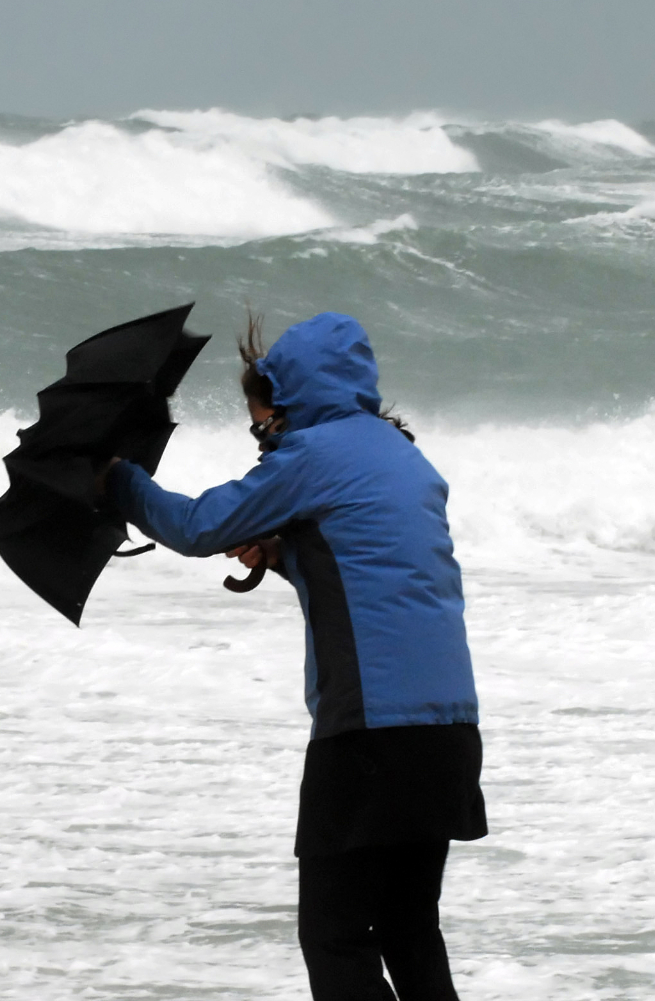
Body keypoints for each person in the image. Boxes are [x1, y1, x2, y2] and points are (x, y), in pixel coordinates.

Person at [100, 311, 486, 1001]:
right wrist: (284, 555)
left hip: (371, 730)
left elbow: (195, 526)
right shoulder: (404, 455)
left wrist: (117, 478)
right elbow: (375, 566)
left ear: (288, 403)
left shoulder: (312, 454)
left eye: (260, 427)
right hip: (447, 731)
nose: (262, 444)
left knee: (333, 935)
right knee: (408, 927)